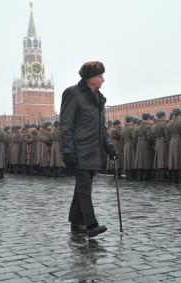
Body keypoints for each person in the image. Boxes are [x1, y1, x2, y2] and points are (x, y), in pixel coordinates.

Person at [60, 61, 116, 238]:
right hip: (79, 151)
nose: (103, 80)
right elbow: (66, 126)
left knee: (81, 188)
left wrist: (109, 146)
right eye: (100, 76)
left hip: (94, 151)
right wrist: (68, 151)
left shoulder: (99, 98)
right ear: (89, 78)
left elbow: (102, 127)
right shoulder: (73, 93)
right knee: (85, 188)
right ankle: (91, 225)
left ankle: (76, 224)